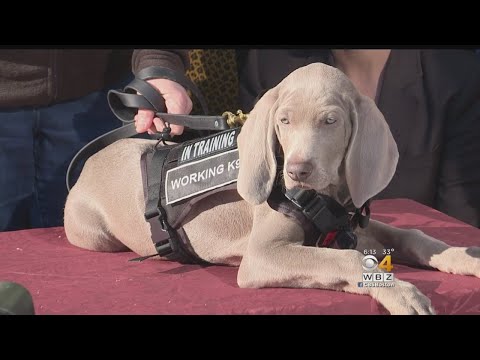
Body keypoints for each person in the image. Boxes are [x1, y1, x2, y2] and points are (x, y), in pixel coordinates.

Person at [131, 49, 480, 228]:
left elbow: (459, 224)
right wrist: (160, 72)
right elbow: (270, 204)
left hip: (397, 257)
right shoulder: (271, 64)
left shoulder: (454, 75)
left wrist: (377, 276)